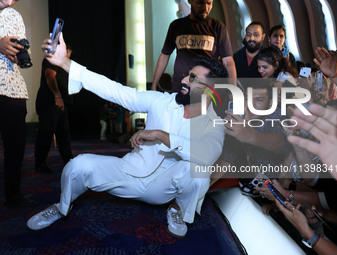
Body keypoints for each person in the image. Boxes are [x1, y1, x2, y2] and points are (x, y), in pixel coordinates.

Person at [27, 34, 227, 238]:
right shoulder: (161, 101)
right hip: (130, 172)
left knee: (199, 171)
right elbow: (116, 91)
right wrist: (65, 62)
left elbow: (208, 155)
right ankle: (62, 206)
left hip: (165, 187)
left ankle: (177, 209)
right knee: (77, 166)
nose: (184, 79)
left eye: (193, 78)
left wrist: (160, 134)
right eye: (187, 74)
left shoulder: (214, 124)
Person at [151, 0, 236, 92]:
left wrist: (233, 91)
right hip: (180, 86)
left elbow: (228, 62)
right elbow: (164, 56)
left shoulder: (218, 26)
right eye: (201, 3)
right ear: (190, 1)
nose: (205, 7)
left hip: (206, 87)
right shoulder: (176, 25)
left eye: (209, 3)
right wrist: (154, 85)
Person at [0, 0, 34, 206]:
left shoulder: (15, 16)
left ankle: (13, 194)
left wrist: (20, 55)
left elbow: (24, 54)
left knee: (16, 147)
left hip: (13, 89)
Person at [34, 44, 73, 173]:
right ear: (66, 51)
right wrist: (57, 96)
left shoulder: (61, 63)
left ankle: (68, 160)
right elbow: (50, 75)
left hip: (59, 103)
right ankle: (40, 163)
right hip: (50, 102)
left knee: (64, 133)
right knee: (46, 133)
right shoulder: (52, 59)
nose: (69, 58)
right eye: (68, 54)